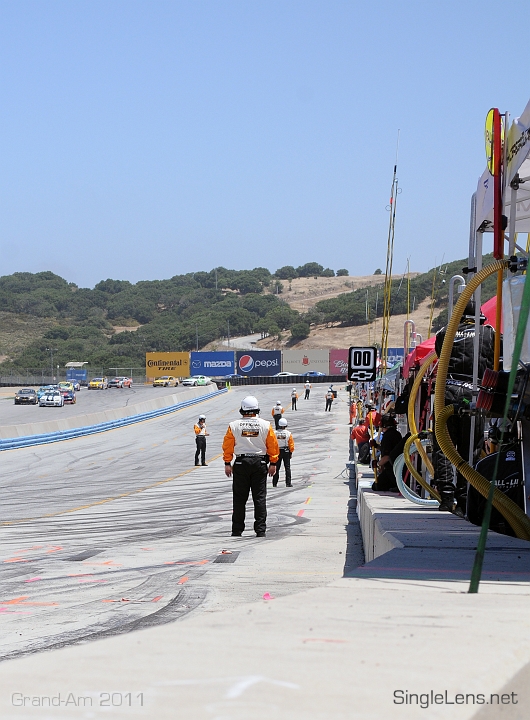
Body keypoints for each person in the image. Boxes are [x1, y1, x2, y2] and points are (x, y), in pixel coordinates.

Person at [433, 300, 495, 515]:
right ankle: (464, 498)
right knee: (471, 448)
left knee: (442, 446)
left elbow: (441, 357)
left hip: (446, 393)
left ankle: (446, 498)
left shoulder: (444, 333)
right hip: (473, 394)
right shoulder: (489, 333)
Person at [223, 395, 279, 537]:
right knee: (259, 498)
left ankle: (237, 530)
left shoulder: (234, 425)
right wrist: (273, 463)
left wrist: (227, 463)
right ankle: (260, 530)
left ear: (242, 409)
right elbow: (272, 445)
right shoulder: (265, 425)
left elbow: (227, 446)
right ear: (256, 409)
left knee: (239, 499)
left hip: (241, 463)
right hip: (259, 463)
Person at [370, 414, 402, 491]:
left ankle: (395, 486)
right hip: (399, 469)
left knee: (376, 486)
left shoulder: (387, 437)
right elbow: (389, 450)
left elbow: (387, 457)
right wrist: (376, 446)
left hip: (391, 470)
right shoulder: (397, 434)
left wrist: (377, 464)